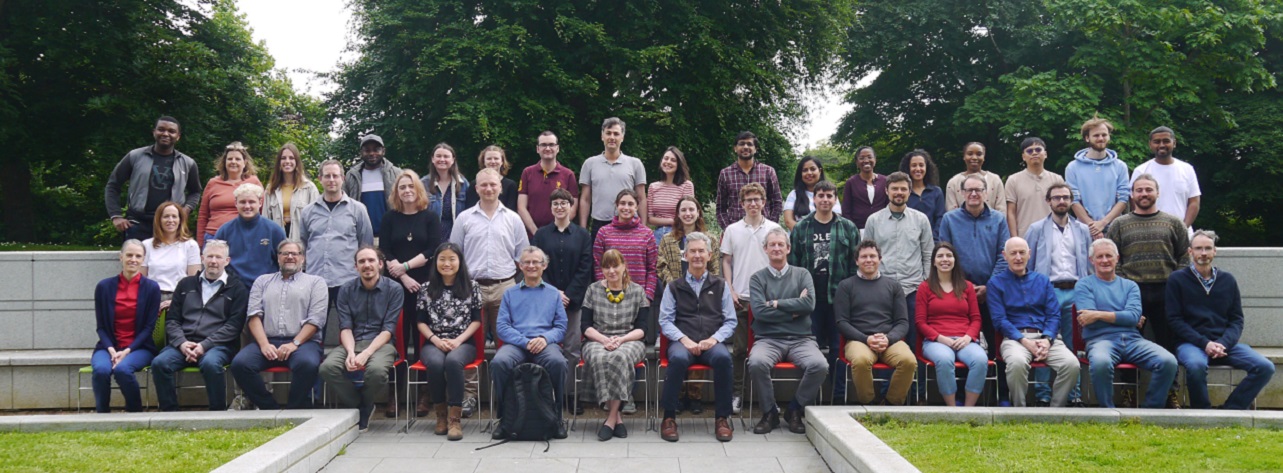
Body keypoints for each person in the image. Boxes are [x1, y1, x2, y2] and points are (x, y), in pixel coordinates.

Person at [1107, 173, 1190, 407]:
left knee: (1167, 343)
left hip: (1167, 291)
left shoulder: (1174, 223)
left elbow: (1184, 255)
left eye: (1148, 190)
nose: (1144, 194)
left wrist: (1175, 280)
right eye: (1139, 190)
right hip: (1133, 292)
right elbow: (1113, 257)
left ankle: (1171, 393)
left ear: (1157, 192)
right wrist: (1124, 284)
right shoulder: (1120, 224)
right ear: (1132, 195)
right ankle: (1128, 391)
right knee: (1129, 342)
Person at [451, 168, 529, 416]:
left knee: (507, 344)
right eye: (483, 185)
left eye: (492, 185)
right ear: (476, 188)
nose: (488, 189)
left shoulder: (513, 219)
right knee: (471, 345)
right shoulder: (464, 218)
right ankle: (470, 397)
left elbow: (523, 258)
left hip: (505, 286)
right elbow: (454, 256)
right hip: (471, 288)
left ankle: (507, 394)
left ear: (500, 187)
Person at [1168, 230, 1274, 409]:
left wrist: (1222, 343)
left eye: (1208, 248)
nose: (1203, 253)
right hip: (1191, 344)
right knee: (1195, 366)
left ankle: (1232, 409)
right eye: (1199, 248)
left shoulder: (1228, 280)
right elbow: (1174, 320)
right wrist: (1205, 344)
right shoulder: (1177, 279)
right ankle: (1202, 413)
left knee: (1265, 367)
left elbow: (1237, 320)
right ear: (1190, 252)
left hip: (1225, 345)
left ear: (1215, 251)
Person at [1077, 238, 1178, 408]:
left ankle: (1151, 410)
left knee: (1168, 361)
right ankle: (1107, 411)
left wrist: (1099, 314)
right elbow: (1089, 322)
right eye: (1099, 256)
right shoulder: (1084, 285)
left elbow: (1132, 316)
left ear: (1117, 258)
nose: (1104, 260)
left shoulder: (1130, 286)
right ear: (1091, 260)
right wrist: (1125, 318)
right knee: (1101, 363)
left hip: (1133, 340)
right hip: (1100, 341)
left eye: (1109, 256)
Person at [230, 239, 328, 410]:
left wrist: (294, 344)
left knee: (307, 364)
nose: (290, 257)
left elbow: (316, 319)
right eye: (285, 253)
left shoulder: (316, 282)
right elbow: (253, 316)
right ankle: (269, 408)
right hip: (268, 341)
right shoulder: (262, 281)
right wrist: (264, 344)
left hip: (303, 343)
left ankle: (294, 409)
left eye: (294, 254)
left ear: (302, 258)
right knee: (240, 364)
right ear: (278, 257)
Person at [658, 232, 737, 443]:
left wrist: (714, 339)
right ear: (685, 255)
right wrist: (684, 340)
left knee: (723, 359)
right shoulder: (674, 286)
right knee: (678, 359)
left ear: (710, 255)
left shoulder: (720, 285)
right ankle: (668, 418)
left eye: (701, 251)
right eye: (692, 251)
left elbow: (731, 321)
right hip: (683, 342)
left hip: (711, 342)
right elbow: (665, 321)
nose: (697, 255)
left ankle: (722, 418)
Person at [151, 240, 247, 411]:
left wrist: (204, 345)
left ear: (227, 261)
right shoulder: (185, 284)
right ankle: (169, 413)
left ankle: (217, 412)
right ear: (202, 258)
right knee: (159, 363)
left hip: (218, 346)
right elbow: (172, 320)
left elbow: (234, 326)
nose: (213, 261)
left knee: (211, 364)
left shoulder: (237, 288)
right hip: (183, 343)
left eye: (218, 257)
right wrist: (182, 343)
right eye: (210, 256)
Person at [938, 174, 1011, 402]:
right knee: (960, 343)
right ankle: (960, 395)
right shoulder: (950, 219)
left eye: (978, 190)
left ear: (986, 192)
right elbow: (945, 254)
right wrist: (965, 287)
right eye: (969, 190)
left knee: (996, 344)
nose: (973, 194)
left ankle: (1000, 395)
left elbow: (1003, 254)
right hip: (959, 291)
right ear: (961, 193)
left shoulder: (999, 219)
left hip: (993, 292)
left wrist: (989, 286)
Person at [863, 171, 933, 401]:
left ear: (909, 191)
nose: (899, 193)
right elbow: (867, 254)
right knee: (884, 341)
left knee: (913, 342)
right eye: (895, 189)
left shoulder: (920, 219)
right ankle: (884, 394)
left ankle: (913, 395)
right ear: (887, 191)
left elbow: (927, 253)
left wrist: (925, 283)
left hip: (913, 288)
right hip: (882, 290)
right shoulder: (874, 220)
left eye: (904, 189)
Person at [788, 180, 860, 403]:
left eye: (830, 196)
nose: (825, 200)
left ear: (835, 199)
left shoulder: (848, 227)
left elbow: (853, 264)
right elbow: (794, 264)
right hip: (811, 302)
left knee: (839, 352)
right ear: (814, 199)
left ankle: (838, 399)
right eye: (821, 196)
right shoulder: (802, 228)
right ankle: (811, 400)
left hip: (839, 301)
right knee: (811, 352)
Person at [748, 229, 824, 434]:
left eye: (781, 244)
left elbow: (808, 305)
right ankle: (769, 412)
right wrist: (793, 312)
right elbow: (759, 313)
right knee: (756, 363)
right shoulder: (757, 279)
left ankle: (794, 409)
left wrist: (775, 303)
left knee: (819, 365)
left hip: (801, 339)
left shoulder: (803, 274)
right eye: (772, 245)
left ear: (788, 248)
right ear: (765, 249)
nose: (776, 248)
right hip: (768, 339)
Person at [987, 237, 1080, 407]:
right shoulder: (995, 284)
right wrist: (1025, 341)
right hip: (1015, 339)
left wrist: (1047, 339)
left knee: (1072, 364)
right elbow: (999, 320)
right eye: (1013, 253)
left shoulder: (1043, 281)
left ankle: (1055, 411)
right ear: (1004, 255)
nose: (1018, 257)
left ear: (1029, 254)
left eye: (1022, 252)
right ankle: (1020, 411)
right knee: (1016, 364)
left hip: (1047, 339)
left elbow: (1054, 315)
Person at [379, 169, 442, 417]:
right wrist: (403, 276)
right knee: (399, 342)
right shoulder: (389, 218)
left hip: (424, 286)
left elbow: (432, 249)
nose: (407, 191)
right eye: (402, 187)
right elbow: (384, 250)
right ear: (396, 191)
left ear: (419, 190)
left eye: (411, 187)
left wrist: (406, 267)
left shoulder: (430, 217)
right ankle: (394, 395)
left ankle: (424, 395)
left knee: (423, 340)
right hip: (396, 288)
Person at [489, 246, 570, 440]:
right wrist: (525, 342)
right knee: (499, 363)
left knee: (558, 363)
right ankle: (504, 419)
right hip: (517, 344)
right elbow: (502, 326)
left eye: (536, 262)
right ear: (520, 266)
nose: (531, 266)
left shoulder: (553, 294)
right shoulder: (509, 293)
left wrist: (544, 339)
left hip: (545, 344)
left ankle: (557, 418)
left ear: (544, 265)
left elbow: (561, 326)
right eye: (527, 262)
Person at [319, 246, 401, 431]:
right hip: (352, 341)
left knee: (377, 371)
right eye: (361, 261)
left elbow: (388, 329)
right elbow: (345, 326)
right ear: (355, 267)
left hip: (382, 343)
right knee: (327, 368)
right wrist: (349, 352)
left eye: (371, 260)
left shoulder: (394, 289)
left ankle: (362, 405)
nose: (367, 265)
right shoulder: (346, 289)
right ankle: (361, 405)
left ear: (380, 264)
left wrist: (366, 353)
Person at [1025, 182, 1090, 407]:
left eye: (1065, 197)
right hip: (1047, 291)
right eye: (1056, 197)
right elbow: (1028, 265)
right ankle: (1043, 395)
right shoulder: (1035, 229)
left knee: (1073, 344)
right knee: (1045, 341)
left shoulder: (1082, 230)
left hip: (1075, 291)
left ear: (1071, 201)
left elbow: (1087, 266)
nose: (1061, 201)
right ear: (1048, 201)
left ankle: (1074, 395)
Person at [531, 188, 595, 414]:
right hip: (545, 300)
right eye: (555, 203)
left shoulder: (583, 235)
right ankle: (547, 393)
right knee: (545, 347)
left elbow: (585, 268)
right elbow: (535, 266)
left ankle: (569, 395)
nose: (559, 207)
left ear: (571, 207)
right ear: (551, 208)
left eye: (564, 203)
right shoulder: (540, 235)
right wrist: (553, 292)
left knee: (572, 349)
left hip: (573, 301)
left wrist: (568, 294)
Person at [721, 182, 783, 413]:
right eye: (749, 200)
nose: (753, 204)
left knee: (769, 349)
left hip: (768, 299)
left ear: (764, 202)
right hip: (740, 297)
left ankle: (769, 398)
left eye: (757, 199)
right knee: (738, 350)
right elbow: (726, 260)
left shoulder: (775, 229)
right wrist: (730, 288)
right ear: (742, 203)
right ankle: (737, 394)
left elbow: (781, 261)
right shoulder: (732, 230)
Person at [655, 195, 721, 413]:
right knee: (680, 345)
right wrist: (674, 284)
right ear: (678, 214)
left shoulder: (709, 238)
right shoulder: (667, 239)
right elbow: (660, 265)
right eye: (683, 210)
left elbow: (716, 268)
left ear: (698, 212)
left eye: (691, 209)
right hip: (676, 297)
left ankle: (695, 395)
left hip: (702, 299)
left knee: (699, 340)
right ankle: (679, 393)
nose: (687, 213)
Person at [836, 240, 916, 405]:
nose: (868, 260)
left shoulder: (893, 286)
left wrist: (889, 339)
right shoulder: (846, 286)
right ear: (856, 260)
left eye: (872, 256)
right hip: (859, 340)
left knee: (909, 361)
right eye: (863, 256)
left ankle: (891, 404)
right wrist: (867, 339)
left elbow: (902, 322)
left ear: (880, 259)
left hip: (889, 340)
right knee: (860, 361)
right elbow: (841, 322)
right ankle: (869, 404)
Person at [416, 242, 482, 440]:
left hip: (463, 343)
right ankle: (441, 416)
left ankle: (455, 418)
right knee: (435, 363)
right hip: (433, 342)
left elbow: (477, 320)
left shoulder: (472, 286)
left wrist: (458, 340)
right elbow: (420, 322)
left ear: (460, 262)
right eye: (442, 259)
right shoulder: (426, 289)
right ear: (435, 262)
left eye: (452, 259)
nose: (447, 263)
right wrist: (436, 340)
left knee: (453, 362)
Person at [581, 250, 648, 441]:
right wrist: (603, 339)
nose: (611, 271)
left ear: (624, 266)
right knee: (600, 356)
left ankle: (609, 419)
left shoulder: (637, 291)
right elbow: (585, 326)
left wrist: (622, 339)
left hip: (630, 340)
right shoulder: (593, 290)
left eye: (615, 266)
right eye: (606, 267)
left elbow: (642, 329)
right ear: (601, 269)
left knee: (619, 356)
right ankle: (617, 418)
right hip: (596, 339)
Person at [105, 116, 202, 241]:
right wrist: (116, 216)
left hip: (170, 225)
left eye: (171, 131)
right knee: (135, 261)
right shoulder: (135, 156)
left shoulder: (188, 163)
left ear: (178, 136)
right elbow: (113, 185)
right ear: (154, 132)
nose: (166, 134)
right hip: (137, 223)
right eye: (161, 129)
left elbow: (195, 191)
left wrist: (185, 210)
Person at [91, 240, 161, 412]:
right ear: (120, 257)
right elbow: (101, 327)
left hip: (140, 347)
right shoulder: (104, 287)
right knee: (101, 370)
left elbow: (148, 328)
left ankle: (134, 411)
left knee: (122, 370)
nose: (133, 259)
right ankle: (102, 414)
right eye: (129, 255)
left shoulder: (152, 288)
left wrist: (127, 351)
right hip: (109, 347)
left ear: (143, 260)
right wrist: (112, 350)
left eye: (138, 256)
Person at [915, 242, 986, 407]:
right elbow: (920, 322)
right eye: (940, 256)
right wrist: (942, 339)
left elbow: (976, 318)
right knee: (945, 359)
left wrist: (968, 337)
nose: (944, 259)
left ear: (955, 260)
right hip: (936, 341)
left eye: (949, 255)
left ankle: (968, 409)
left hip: (965, 340)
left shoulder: (967, 286)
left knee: (980, 360)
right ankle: (952, 409)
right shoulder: (925, 287)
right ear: (933, 262)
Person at [299, 159, 374, 306]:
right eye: (327, 176)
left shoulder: (358, 209)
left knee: (350, 326)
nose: (331, 180)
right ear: (320, 179)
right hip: (316, 279)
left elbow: (366, 244)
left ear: (343, 178)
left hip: (347, 279)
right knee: (315, 327)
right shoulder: (308, 211)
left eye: (335, 175)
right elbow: (304, 243)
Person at [579, 117, 647, 240]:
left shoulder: (635, 164)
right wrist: (583, 228)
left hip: (629, 222)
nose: (612, 137)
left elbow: (641, 198)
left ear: (622, 137)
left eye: (616, 134)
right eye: (608, 133)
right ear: (602, 136)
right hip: (599, 223)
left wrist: (644, 227)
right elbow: (585, 199)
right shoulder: (589, 163)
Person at [1067, 117, 1131, 239]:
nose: (1101, 138)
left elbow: (1123, 199)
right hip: (1084, 230)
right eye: (1096, 135)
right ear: (1087, 138)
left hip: (1115, 229)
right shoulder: (1072, 167)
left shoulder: (1120, 166)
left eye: (1104, 135)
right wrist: (1092, 227)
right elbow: (1073, 200)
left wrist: (1103, 223)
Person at [214, 183, 287, 284]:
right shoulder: (225, 231)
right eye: (242, 202)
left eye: (251, 202)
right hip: (233, 289)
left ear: (260, 203)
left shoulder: (274, 231)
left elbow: (285, 263)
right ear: (236, 203)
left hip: (267, 288)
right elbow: (215, 262)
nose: (247, 206)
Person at [593, 189, 659, 301]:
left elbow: (652, 268)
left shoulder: (647, 234)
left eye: (630, 204)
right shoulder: (604, 232)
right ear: (617, 205)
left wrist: (648, 296)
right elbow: (598, 265)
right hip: (610, 296)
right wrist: (604, 291)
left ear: (637, 207)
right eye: (622, 203)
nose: (626, 208)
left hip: (638, 297)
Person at [1131, 126, 1201, 231]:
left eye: (1166, 141)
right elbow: (1134, 201)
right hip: (1151, 232)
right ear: (1150, 145)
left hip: (1182, 233)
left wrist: (1183, 228)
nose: (1162, 145)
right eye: (1157, 141)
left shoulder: (1187, 169)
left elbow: (1194, 202)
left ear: (1174, 143)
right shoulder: (1141, 170)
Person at [197, 142, 261, 246]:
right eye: (230, 159)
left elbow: (261, 212)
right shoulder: (213, 183)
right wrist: (200, 244)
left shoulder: (254, 182)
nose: (233, 162)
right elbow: (203, 215)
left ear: (244, 162)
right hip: (214, 237)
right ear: (224, 162)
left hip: (244, 237)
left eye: (238, 159)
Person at [716, 131, 784, 229]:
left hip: (763, 230)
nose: (745, 147)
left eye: (750, 144)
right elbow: (720, 208)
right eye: (741, 144)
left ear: (755, 149)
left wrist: (770, 227)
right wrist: (729, 229)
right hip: (736, 231)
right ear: (735, 148)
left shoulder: (768, 171)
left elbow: (777, 203)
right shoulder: (726, 174)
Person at [140, 201, 200, 308]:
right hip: (152, 297)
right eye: (166, 216)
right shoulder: (146, 245)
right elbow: (141, 279)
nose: (170, 220)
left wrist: (176, 301)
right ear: (159, 220)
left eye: (174, 216)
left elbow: (193, 282)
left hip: (180, 298)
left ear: (180, 220)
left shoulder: (190, 245)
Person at [518, 131, 579, 235]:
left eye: (551, 144)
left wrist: (555, 231)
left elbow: (573, 208)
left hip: (560, 234)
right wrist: (536, 232)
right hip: (531, 235)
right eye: (543, 145)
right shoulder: (527, 172)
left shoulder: (568, 174)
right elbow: (521, 207)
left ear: (557, 148)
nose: (547, 148)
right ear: (538, 149)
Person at [343, 134, 402, 238]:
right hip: (360, 237)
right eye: (367, 150)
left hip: (391, 236)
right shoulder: (352, 176)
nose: (372, 153)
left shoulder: (397, 174)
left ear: (383, 151)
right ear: (361, 153)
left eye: (376, 149)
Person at [1005, 137, 1066, 238]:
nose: (1034, 153)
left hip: (1053, 235)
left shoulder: (1057, 180)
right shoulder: (1013, 180)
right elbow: (1011, 212)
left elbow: (1063, 209)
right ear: (1023, 157)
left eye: (1038, 150)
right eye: (1029, 151)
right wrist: (1015, 238)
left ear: (1045, 154)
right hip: (1025, 236)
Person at [263, 143, 320, 240]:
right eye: (283, 158)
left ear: (297, 161)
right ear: (279, 162)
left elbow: (317, 219)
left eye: (291, 158)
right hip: (277, 239)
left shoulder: (309, 188)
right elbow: (265, 219)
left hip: (301, 240)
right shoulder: (271, 188)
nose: (287, 161)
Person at [422, 143, 470, 241]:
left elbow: (470, 211)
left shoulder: (463, 183)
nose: (442, 159)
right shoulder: (423, 184)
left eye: (446, 156)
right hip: (430, 237)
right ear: (433, 159)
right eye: (438, 156)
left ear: (452, 160)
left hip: (457, 237)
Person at [646, 146, 696, 242]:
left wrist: (670, 222)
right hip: (658, 235)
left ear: (679, 164)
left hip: (681, 234)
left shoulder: (686, 185)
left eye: (673, 160)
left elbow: (688, 214)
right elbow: (650, 218)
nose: (668, 162)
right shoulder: (653, 187)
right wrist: (671, 221)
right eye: (666, 158)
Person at [783, 156, 841, 231]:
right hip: (800, 239)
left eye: (813, 169)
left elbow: (837, 218)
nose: (809, 173)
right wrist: (808, 235)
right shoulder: (794, 194)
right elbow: (788, 221)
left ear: (820, 171)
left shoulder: (829, 193)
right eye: (805, 170)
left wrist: (820, 235)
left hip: (827, 238)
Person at [944, 142, 1004, 211]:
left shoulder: (995, 180)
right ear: (964, 156)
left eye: (979, 154)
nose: (974, 157)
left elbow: (1001, 209)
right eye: (970, 154)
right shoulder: (954, 182)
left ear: (984, 157)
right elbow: (951, 212)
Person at [899, 150, 945, 239]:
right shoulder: (903, 193)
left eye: (921, 165)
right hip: (908, 240)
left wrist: (933, 238)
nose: (918, 169)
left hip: (933, 241)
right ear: (908, 168)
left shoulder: (936, 192)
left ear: (927, 167)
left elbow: (940, 218)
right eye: (913, 165)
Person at [841, 146, 888, 229]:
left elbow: (889, 205)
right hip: (859, 230)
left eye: (869, 157)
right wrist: (853, 229)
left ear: (875, 160)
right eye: (861, 158)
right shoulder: (851, 182)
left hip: (882, 228)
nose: (866, 161)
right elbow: (846, 210)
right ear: (857, 162)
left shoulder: (885, 181)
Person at [464, 145, 519, 211]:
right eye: (489, 159)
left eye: (496, 158)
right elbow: (470, 209)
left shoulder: (511, 185)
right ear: (484, 161)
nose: (493, 161)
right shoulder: (474, 184)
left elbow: (511, 210)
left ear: (502, 161)